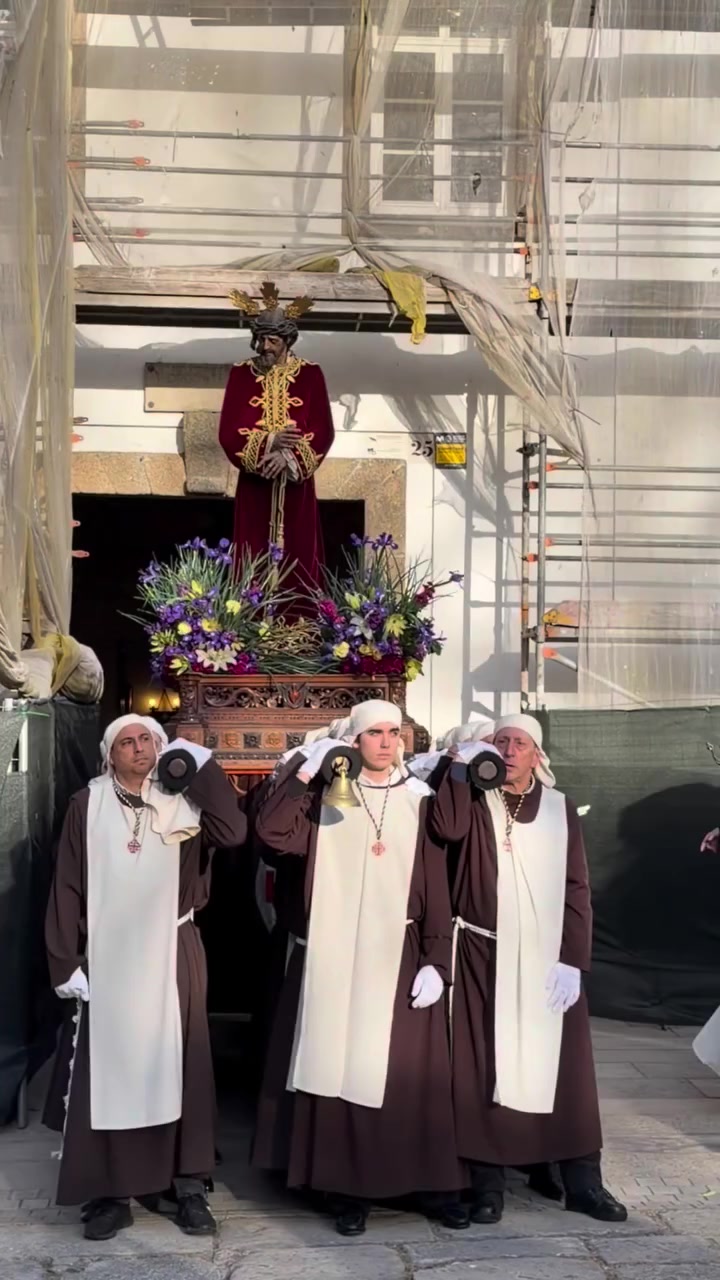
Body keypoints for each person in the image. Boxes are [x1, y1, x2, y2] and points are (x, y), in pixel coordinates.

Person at [252, 699, 465, 1236]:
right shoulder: (326, 799)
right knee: (339, 1070)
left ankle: (422, 1183)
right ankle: (345, 1190)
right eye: (375, 733)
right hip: (335, 953)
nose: (388, 741)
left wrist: (438, 960)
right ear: (354, 740)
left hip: (401, 956)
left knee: (406, 1078)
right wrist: (308, 768)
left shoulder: (421, 800)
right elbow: (274, 835)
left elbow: (436, 887)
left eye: (396, 731)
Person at [43, 716, 247, 1242]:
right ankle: (110, 1194)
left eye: (148, 741)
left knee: (181, 1066)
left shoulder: (184, 800)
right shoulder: (85, 806)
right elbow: (66, 886)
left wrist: (200, 767)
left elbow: (235, 832)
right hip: (109, 957)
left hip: (174, 949)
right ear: (110, 755)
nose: (139, 749)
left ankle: (188, 1187)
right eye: (127, 742)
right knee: (113, 1071)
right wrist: (64, 961)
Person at [431, 712, 627, 1225]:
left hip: (547, 961)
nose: (509, 750)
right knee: (482, 1069)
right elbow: (445, 830)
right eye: (500, 742)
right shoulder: (474, 802)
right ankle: (487, 1185)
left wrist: (572, 961)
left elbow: (576, 889)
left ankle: (583, 1182)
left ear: (537, 756)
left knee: (567, 1075)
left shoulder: (561, 809)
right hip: (482, 953)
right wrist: (460, 768)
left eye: (519, 743)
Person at [219, 281, 335, 593]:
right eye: (260, 339)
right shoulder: (241, 374)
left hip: (296, 483)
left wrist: (288, 457)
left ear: (286, 340)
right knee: (252, 549)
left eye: (272, 340)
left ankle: (298, 625)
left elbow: (323, 430)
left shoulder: (311, 374)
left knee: (299, 546)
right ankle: (249, 622)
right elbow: (229, 430)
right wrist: (269, 444)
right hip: (255, 482)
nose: (265, 346)